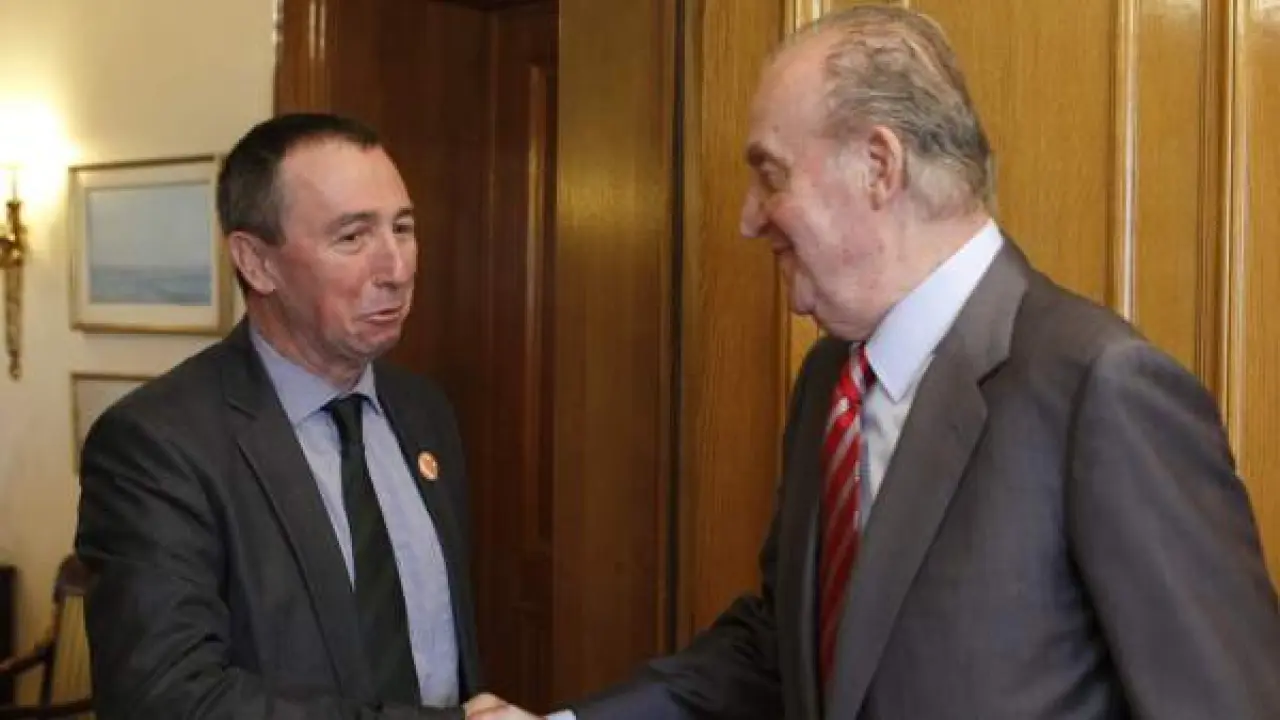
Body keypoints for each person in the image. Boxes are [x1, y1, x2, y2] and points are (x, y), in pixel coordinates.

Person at [477, 6, 1280, 720]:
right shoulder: (827, 385)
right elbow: (782, 652)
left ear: (879, 167)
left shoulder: (1102, 388)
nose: (748, 219)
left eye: (769, 175)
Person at [76, 113, 504, 718]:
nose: (397, 269)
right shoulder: (158, 445)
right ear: (257, 263)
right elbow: (165, 699)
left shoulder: (423, 411)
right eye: (352, 237)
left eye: (403, 228)